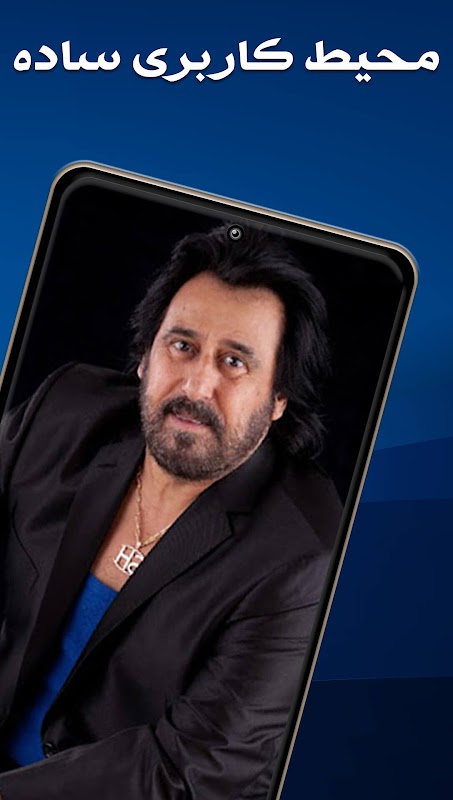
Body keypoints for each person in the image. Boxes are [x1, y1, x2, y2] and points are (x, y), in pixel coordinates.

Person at [0, 224, 342, 799]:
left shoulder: (306, 557)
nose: (197, 386)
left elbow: (186, 773)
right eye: (182, 346)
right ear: (145, 357)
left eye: (234, 362)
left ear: (278, 400)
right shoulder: (63, 410)